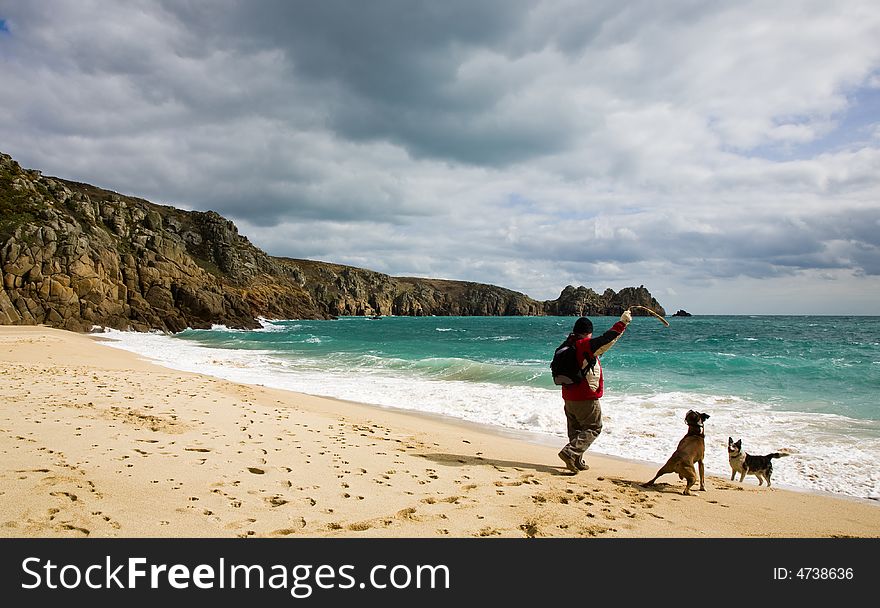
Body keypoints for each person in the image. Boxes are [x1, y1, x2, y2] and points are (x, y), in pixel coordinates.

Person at [557, 310, 632, 473]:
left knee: (576, 431)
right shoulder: (584, 345)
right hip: (585, 396)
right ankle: (570, 453)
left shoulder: (567, 344)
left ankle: (576, 460)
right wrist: (623, 323)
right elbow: (607, 339)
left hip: (568, 395)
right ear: (588, 333)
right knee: (594, 427)